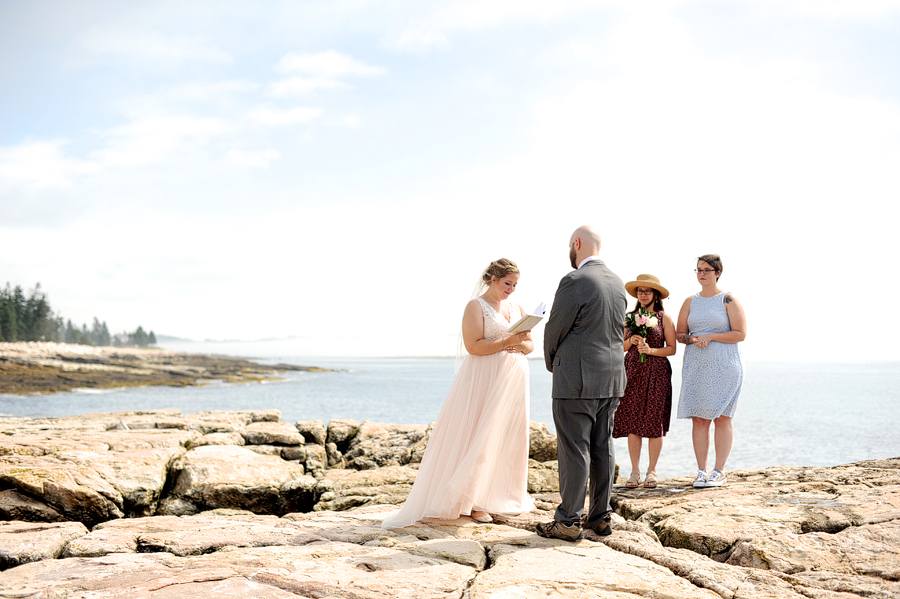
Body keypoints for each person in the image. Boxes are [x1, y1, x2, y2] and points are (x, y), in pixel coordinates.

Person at [381, 258, 535, 529]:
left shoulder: (517, 307)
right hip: (484, 379)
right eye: (507, 283)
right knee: (480, 435)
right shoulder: (476, 307)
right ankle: (471, 502)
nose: (511, 289)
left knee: (506, 436)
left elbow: (531, 345)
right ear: (492, 279)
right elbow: (473, 346)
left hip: (513, 380)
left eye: (515, 285)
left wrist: (521, 346)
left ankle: (498, 495)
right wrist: (508, 342)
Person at [536, 225, 627, 541]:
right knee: (603, 444)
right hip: (612, 377)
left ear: (577, 244)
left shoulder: (574, 280)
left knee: (574, 448)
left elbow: (555, 329)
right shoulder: (617, 283)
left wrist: (552, 362)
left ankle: (568, 521)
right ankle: (600, 517)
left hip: (576, 378)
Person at [676, 254, 746, 488]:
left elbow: (740, 333)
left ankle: (719, 470)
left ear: (717, 272)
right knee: (699, 418)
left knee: (723, 417)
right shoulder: (690, 301)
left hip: (725, 366)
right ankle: (701, 471)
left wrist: (710, 336)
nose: (702, 273)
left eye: (707, 269)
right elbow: (679, 335)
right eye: (698, 270)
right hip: (697, 366)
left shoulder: (728, 299)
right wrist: (693, 338)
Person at [614, 274, 676, 489]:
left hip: (658, 372)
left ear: (655, 294)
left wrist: (650, 350)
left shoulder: (664, 318)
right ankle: (634, 471)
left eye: (647, 291)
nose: (643, 294)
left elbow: (672, 349)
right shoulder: (629, 317)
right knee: (633, 421)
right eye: (640, 291)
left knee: (654, 421)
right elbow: (618, 347)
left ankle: (652, 470)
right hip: (632, 372)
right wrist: (631, 341)